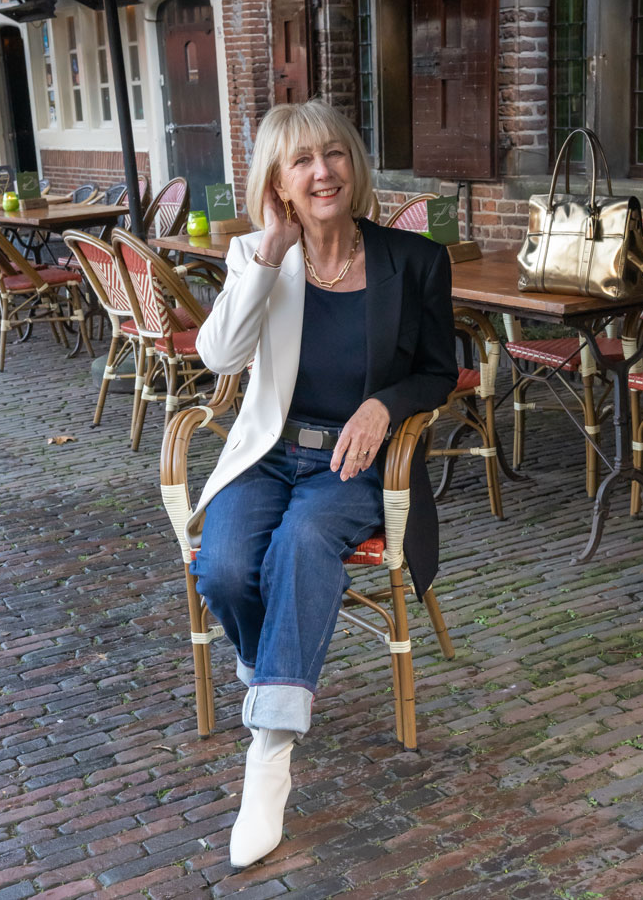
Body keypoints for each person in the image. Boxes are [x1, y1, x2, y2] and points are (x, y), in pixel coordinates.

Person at [185, 99, 458, 868]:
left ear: (353, 162)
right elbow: (220, 357)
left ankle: (268, 753)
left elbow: (439, 370)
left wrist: (384, 404)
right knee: (224, 568)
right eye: (300, 160)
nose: (321, 172)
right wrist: (269, 252)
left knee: (302, 543)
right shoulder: (257, 254)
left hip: (351, 463)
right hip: (269, 453)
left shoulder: (414, 261)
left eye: (333, 153)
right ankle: (273, 667)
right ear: (278, 181)